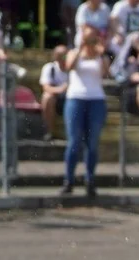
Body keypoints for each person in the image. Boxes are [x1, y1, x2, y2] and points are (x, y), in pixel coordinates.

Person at [62, 24, 111, 197]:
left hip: (96, 99)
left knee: (92, 143)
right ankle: (69, 180)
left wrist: (100, 52)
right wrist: (81, 47)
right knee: (74, 142)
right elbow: (69, 67)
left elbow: (106, 73)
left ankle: (90, 180)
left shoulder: (100, 56)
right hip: (76, 98)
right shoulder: (74, 52)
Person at [39, 46, 70, 143]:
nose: (63, 58)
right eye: (60, 56)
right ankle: (48, 132)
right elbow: (46, 87)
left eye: (65, 56)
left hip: (71, 99)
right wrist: (61, 89)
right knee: (47, 98)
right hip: (57, 100)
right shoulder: (49, 68)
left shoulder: (74, 68)